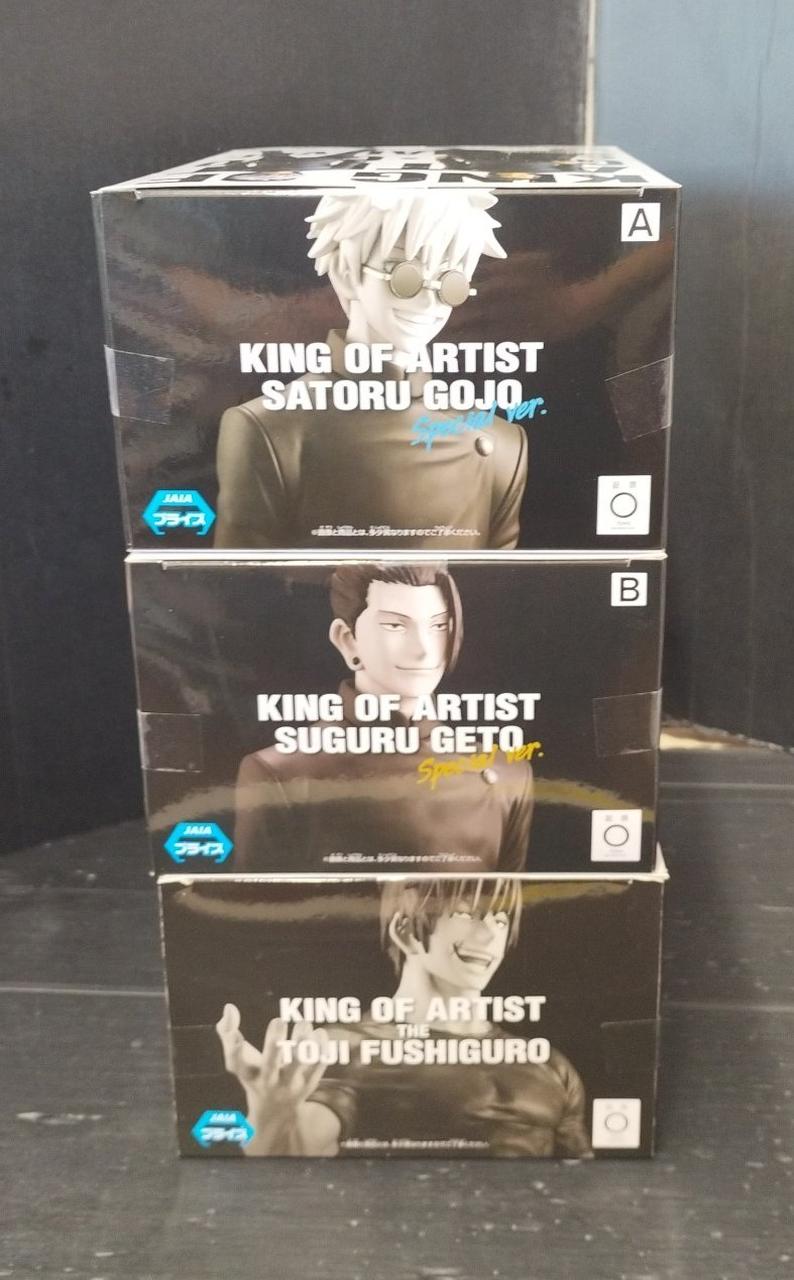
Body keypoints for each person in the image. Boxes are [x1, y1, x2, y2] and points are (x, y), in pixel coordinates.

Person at [214, 189, 527, 549]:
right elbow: (242, 578)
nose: (428, 301)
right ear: (346, 272)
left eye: (451, 284)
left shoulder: (502, 443)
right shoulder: (269, 429)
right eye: (404, 277)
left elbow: (500, 577)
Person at [216, 877, 593, 1158]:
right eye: (466, 913)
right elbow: (298, 1149)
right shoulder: (344, 1046)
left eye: (500, 919)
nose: (489, 936)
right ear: (406, 930)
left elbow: (582, 1181)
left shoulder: (550, 1064)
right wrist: (271, 1116)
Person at [234, 562, 533, 873]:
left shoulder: (507, 772)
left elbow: (509, 900)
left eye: (438, 626)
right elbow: (259, 901)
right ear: (347, 640)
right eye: (395, 625)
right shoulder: (280, 773)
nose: (423, 650)